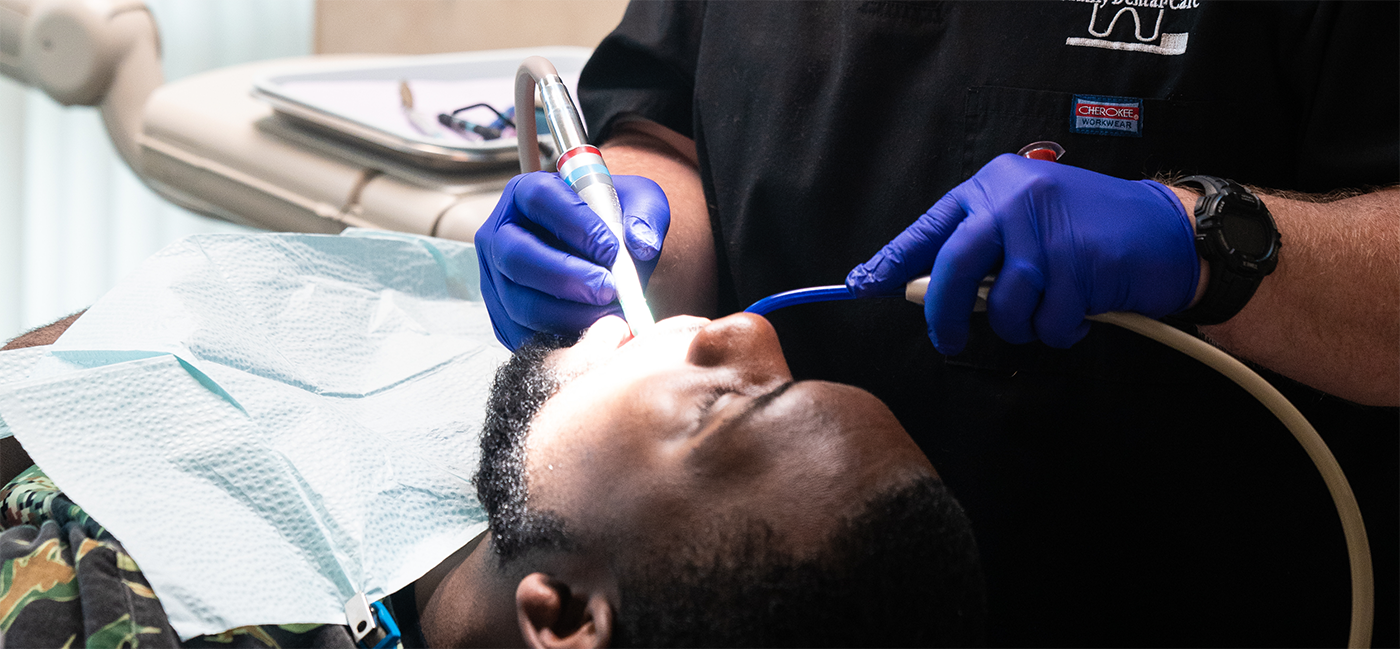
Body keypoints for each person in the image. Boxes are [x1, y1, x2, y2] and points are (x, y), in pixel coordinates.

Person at [474, 1, 1400, 646]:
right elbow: (669, 116)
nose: (748, 335)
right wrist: (642, 241)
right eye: (742, 390)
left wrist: (1209, 244)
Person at [0, 312, 985, 648]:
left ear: (558, 615)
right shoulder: (491, 455)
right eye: (786, 369)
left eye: (722, 408)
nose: (746, 329)